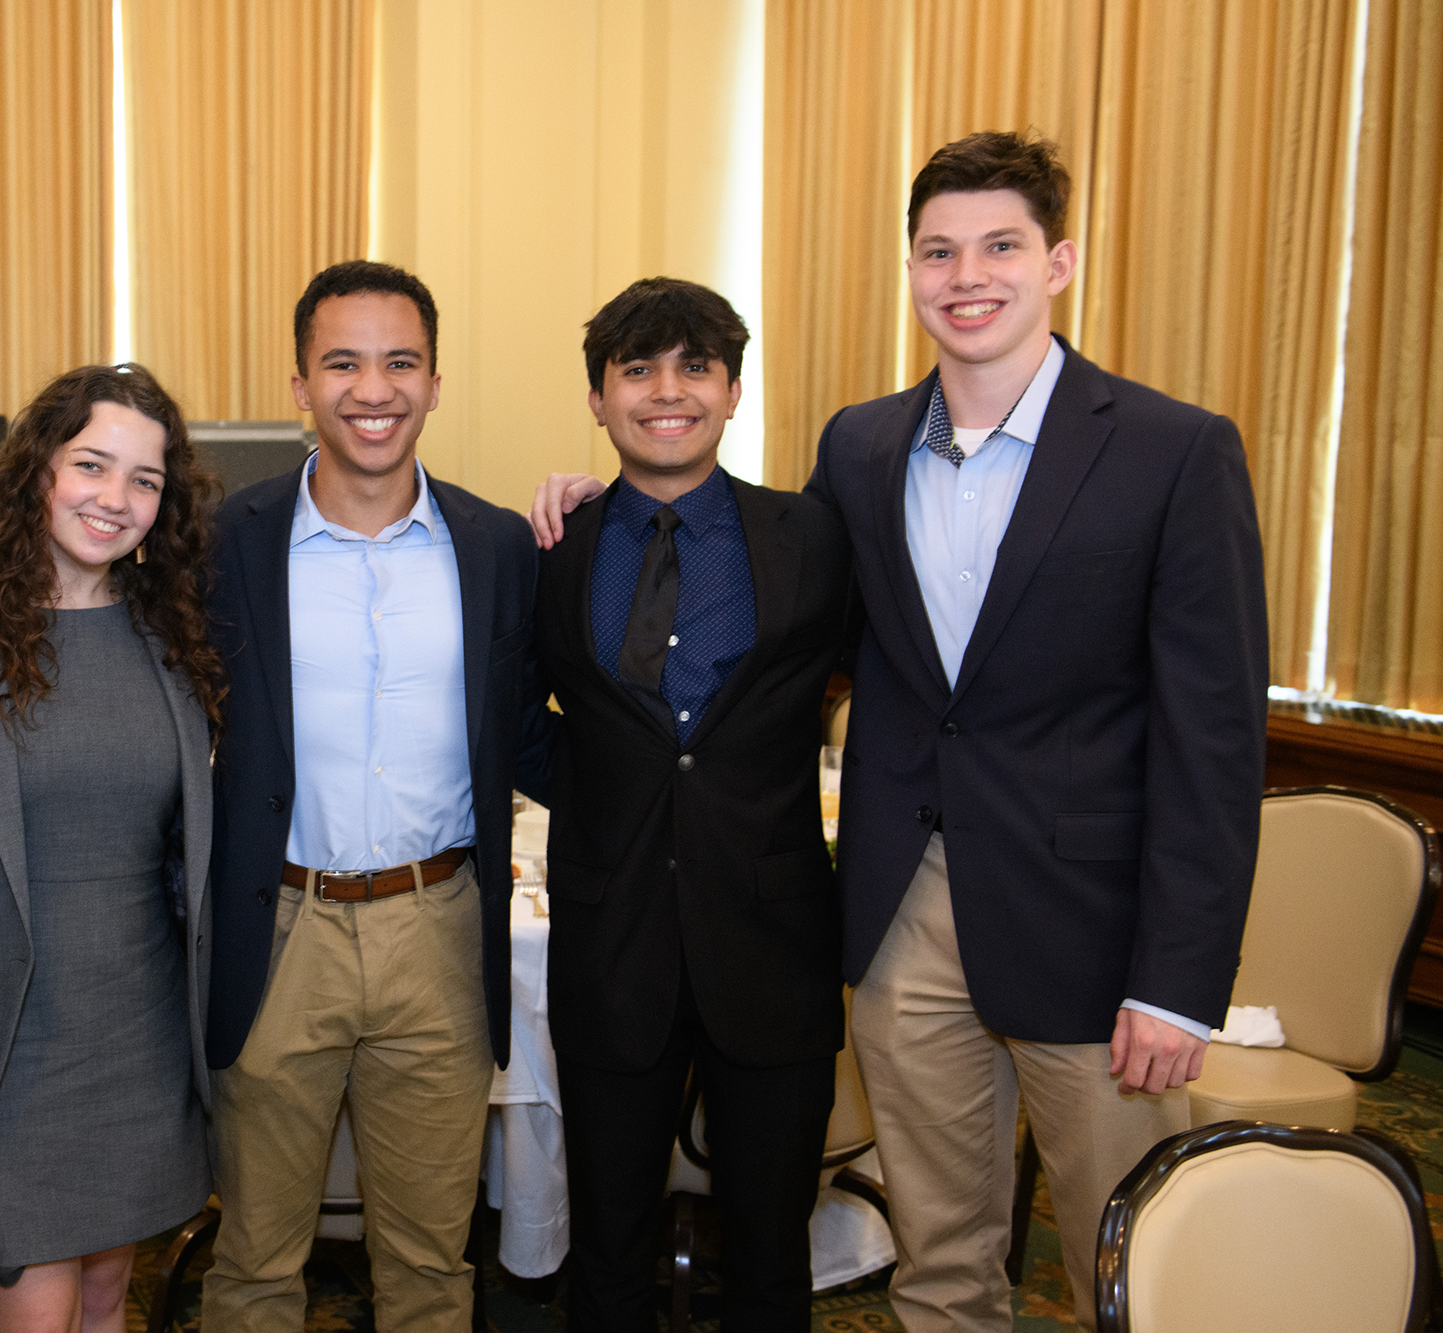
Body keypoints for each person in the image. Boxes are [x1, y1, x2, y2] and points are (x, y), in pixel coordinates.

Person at [535, 132, 1268, 1332]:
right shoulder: (862, 447)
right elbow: (757, 614)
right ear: (911, 270)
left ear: (1059, 261)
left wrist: (1179, 982)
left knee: (1121, 1260)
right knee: (937, 1257)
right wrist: (590, 502)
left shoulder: (1171, 450)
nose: (964, 274)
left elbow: (1214, 735)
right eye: (937, 249)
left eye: (998, 246)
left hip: (1088, 927)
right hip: (898, 915)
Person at [200, 260, 552, 1333]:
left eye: (399, 361)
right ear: (300, 381)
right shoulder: (224, 543)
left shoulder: (494, 545)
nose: (372, 387)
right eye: (341, 361)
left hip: (438, 930)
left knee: (431, 1263)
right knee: (255, 1259)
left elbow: (540, 723)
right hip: (279, 931)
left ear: (436, 382)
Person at [524, 277, 849, 1331]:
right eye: (637, 370)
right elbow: (503, 710)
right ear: (597, 398)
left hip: (771, 948)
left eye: (692, 367)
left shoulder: (813, 538)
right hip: (609, 943)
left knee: (767, 1257)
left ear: (732, 390)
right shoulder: (547, 546)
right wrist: (592, 794)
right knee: (607, 1250)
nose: (666, 392)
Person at [0, 363, 223, 1332]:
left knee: (103, 1295)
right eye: (91, 465)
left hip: (137, 1030)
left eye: (143, 480)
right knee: (31, 1306)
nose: (113, 499)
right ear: (36, 466)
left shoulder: (172, 632)